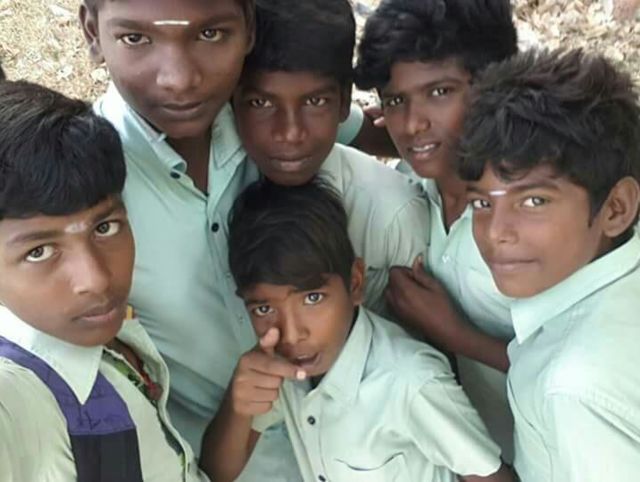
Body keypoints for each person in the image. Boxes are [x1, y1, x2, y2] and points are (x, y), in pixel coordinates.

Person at [80, 1, 394, 464]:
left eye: (209, 35)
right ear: (92, 31)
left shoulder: (265, 105)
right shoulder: (82, 187)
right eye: (136, 38)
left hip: (368, 454)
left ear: (248, 26)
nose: (179, 79)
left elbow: (375, 128)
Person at [202, 179, 514, 482]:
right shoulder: (281, 370)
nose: (292, 334)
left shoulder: (410, 381)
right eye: (264, 309)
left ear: (355, 283)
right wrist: (237, 405)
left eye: (312, 298)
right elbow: (217, 472)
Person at [0, 80, 208, 482]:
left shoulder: (106, 330)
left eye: (105, 227)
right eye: (39, 251)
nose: (96, 280)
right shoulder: (19, 397)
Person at [459, 48, 640, 481]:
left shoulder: (573, 389)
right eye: (482, 204)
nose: (496, 232)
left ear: (616, 208)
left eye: (534, 201)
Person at [355, 0, 518, 457]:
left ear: (492, 85)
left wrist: (457, 336)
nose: (413, 124)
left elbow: (591, 358)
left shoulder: (530, 215)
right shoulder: (417, 183)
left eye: (440, 92)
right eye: (396, 101)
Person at [233, 0, 429, 316]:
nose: (290, 133)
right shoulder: (214, 177)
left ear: (344, 101)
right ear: (231, 99)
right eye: (261, 103)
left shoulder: (394, 216)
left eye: (315, 101)